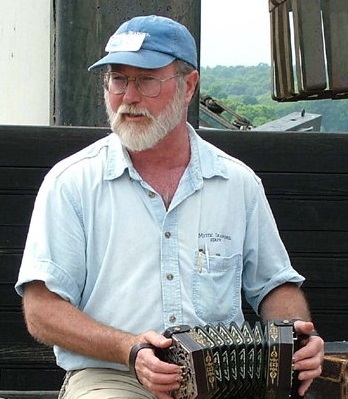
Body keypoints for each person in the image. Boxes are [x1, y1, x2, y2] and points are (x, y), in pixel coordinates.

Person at [15, 14, 323, 399]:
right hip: (113, 376)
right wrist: (131, 350)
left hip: (224, 380)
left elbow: (274, 284)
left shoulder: (237, 183)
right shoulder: (71, 182)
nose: (128, 96)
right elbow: (41, 309)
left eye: (146, 80)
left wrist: (295, 339)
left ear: (189, 85)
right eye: (118, 78)